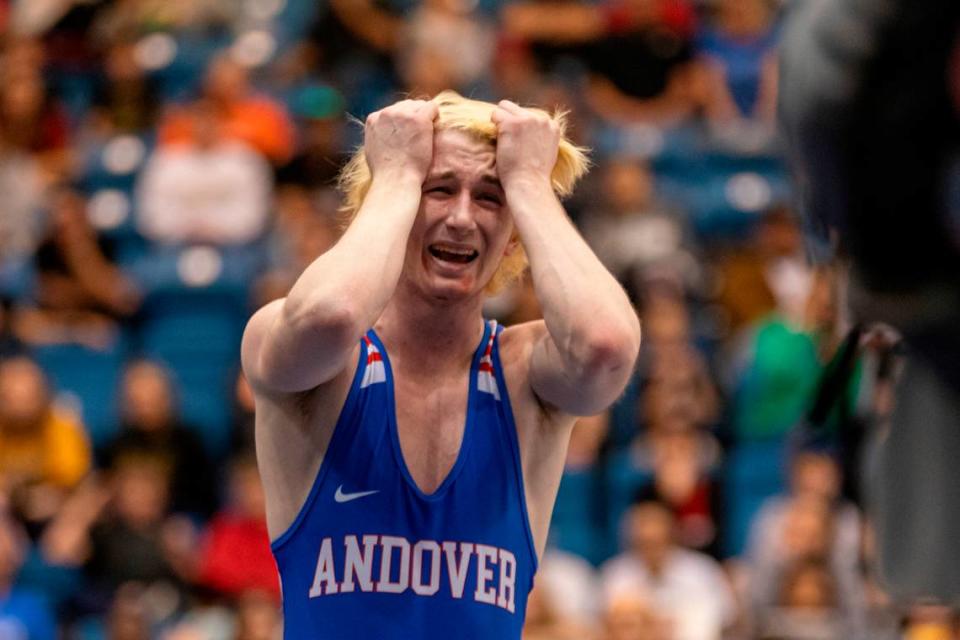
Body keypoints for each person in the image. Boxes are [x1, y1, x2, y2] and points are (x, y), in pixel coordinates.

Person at [240, 91, 641, 638]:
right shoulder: (316, 362)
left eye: (490, 197)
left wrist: (529, 184)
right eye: (440, 188)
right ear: (390, 206)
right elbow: (331, 316)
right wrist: (398, 176)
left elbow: (605, 346)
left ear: (514, 235)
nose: (461, 218)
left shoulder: (527, 376)